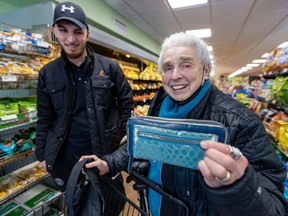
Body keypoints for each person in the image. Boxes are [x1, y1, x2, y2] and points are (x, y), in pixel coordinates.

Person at [144, 32, 288, 215]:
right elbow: (147, 145)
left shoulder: (241, 121)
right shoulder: (159, 103)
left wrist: (238, 186)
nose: (175, 75)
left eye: (186, 65)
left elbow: (275, 206)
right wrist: (112, 161)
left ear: (205, 69)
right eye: (167, 68)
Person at [35, 1, 134, 214]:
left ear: (87, 33)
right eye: (63, 31)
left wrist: (120, 138)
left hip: (104, 154)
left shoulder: (109, 67)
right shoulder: (47, 74)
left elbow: (127, 103)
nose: (71, 39)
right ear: (54, 31)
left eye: (78, 32)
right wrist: (42, 155)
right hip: (66, 159)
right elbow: (44, 118)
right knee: (76, 206)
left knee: (111, 205)